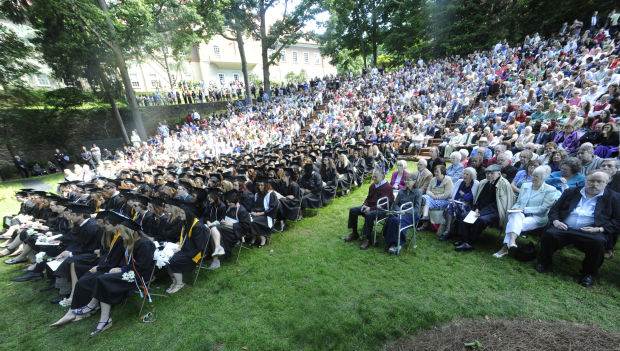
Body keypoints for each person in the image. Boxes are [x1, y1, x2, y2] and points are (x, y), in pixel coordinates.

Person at [535, 170, 620, 287]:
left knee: (598, 242)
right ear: (586, 180)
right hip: (565, 227)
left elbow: (617, 221)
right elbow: (555, 209)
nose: (594, 184)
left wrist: (599, 229)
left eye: (599, 182)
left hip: (591, 231)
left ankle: (588, 274)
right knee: (550, 234)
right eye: (591, 181)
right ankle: (544, 261)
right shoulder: (571, 192)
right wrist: (555, 221)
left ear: (606, 183)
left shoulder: (614, 198)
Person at [493, 166, 560, 258]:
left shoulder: (550, 190)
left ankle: (505, 247)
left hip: (536, 217)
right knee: (516, 216)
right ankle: (511, 242)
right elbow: (519, 202)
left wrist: (524, 210)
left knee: (516, 223)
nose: (533, 178)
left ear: (543, 178)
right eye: (533, 175)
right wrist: (515, 208)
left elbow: (543, 208)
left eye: (536, 177)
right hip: (519, 214)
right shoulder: (525, 186)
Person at [453, 164, 515, 251]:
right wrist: (477, 208)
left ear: (499, 174)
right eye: (487, 173)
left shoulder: (504, 185)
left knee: (480, 220)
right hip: (481, 210)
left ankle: (469, 242)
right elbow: (480, 198)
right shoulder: (485, 182)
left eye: (492, 173)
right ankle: (464, 239)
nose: (489, 175)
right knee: (464, 215)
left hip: (495, 212)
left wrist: (481, 213)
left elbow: (498, 204)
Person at [166, 200, 208, 294]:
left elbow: (199, 245)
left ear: (188, 214)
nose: (180, 215)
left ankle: (179, 283)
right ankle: (175, 281)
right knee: (167, 256)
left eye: (182, 213)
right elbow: (185, 238)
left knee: (173, 260)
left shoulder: (197, 226)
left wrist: (181, 249)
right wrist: (180, 245)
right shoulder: (187, 222)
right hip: (187, 248)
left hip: (195, 252)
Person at [344, 169, 394, 250]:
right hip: (369, 207)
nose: (373, 178)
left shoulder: (388, 188)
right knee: (353, 210)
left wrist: (370, 208)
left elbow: (384, 205)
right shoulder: (372, 185)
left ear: (383, 177)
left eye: (375, 177)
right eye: (373, 176)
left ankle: (368, 239)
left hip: (382, 210)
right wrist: (364, 205)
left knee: (369, 215)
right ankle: (354, 233)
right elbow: (368, 198)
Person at [383, 173, 422, 253]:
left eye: (408, 180)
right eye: (405, 180)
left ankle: (397, 244)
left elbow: (417, 209)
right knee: (391, 218)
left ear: (414, 181)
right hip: (400, 212)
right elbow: (396, 204)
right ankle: (391, 241)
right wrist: (399, 211)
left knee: (397, 221)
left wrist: (405, 212)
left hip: (412, 215)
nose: (406, 182)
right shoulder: (401, 191)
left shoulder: (417, 193)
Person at [439, 167, 479, 241]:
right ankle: (448, 230)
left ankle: (448, 231)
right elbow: (455, 195)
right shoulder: (460, 182)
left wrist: (463, 194)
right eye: (464, 173)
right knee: (451, 204)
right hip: (457, 203)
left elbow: (470, 198)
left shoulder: (475, 183)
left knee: (450, 205)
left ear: (472, 176)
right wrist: (464, 195)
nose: (465, 176)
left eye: (467, 174)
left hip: (468, 206)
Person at [418, 165, 454, 231]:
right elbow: (428, 190)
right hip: (431, 198)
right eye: (435, 171)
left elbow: (447, 194)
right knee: (424, 198)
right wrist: (432, 195)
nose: (435, 173)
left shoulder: (448, 180)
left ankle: (425, 222)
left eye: (437, 172)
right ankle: (425, 218)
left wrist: (436, 197)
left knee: (426, 200)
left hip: (443, 200)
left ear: (442, 173)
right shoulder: (433, 179)